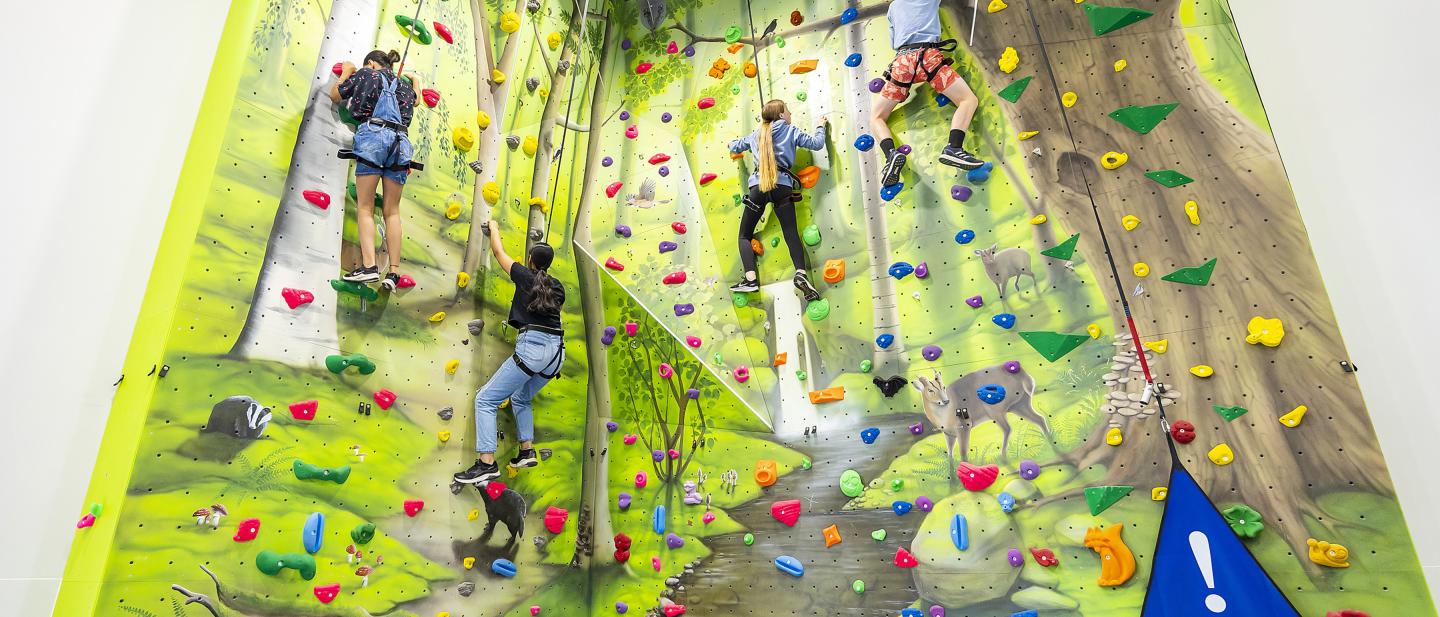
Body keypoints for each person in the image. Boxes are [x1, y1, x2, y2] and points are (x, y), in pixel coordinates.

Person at [454, 222, 566, 485]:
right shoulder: (558, 287)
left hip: (533, 347)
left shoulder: (525, 276)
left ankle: (486, 464)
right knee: (521, 397)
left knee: (485, 399)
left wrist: (493, 227)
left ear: (530, 260)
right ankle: (526, 450)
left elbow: (498, 252)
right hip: (556, 353)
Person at [330, 49, 420, 291]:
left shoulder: (365, 75)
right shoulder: (405, 88)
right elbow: (417, 100)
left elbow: (335, 95)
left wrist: (347, 71)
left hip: (374, 138)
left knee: (366, 207)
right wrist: (417, 83)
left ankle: (369, 267)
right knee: (392, 211)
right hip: (401, 144)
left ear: (370, 63)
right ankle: (393, 273)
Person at [872, 0, 986, 186]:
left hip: (902, 62)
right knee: (967, 100)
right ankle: (954, 148)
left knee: (876, 117)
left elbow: (894, 43)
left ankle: (891, 154)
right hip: (927, 57)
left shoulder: (893, 7)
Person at [727, 99, 827, 301]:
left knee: (744, 236)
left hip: (759, 187)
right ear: (781, 115)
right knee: (791, 233)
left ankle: (750, 279)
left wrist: (730, 143)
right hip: (783, 186)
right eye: (788, 111)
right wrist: (820, 126)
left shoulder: (757, 134)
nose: (790, 114)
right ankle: (800, 273)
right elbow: (817, 144)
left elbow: (735, 145)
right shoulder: (791, 131)